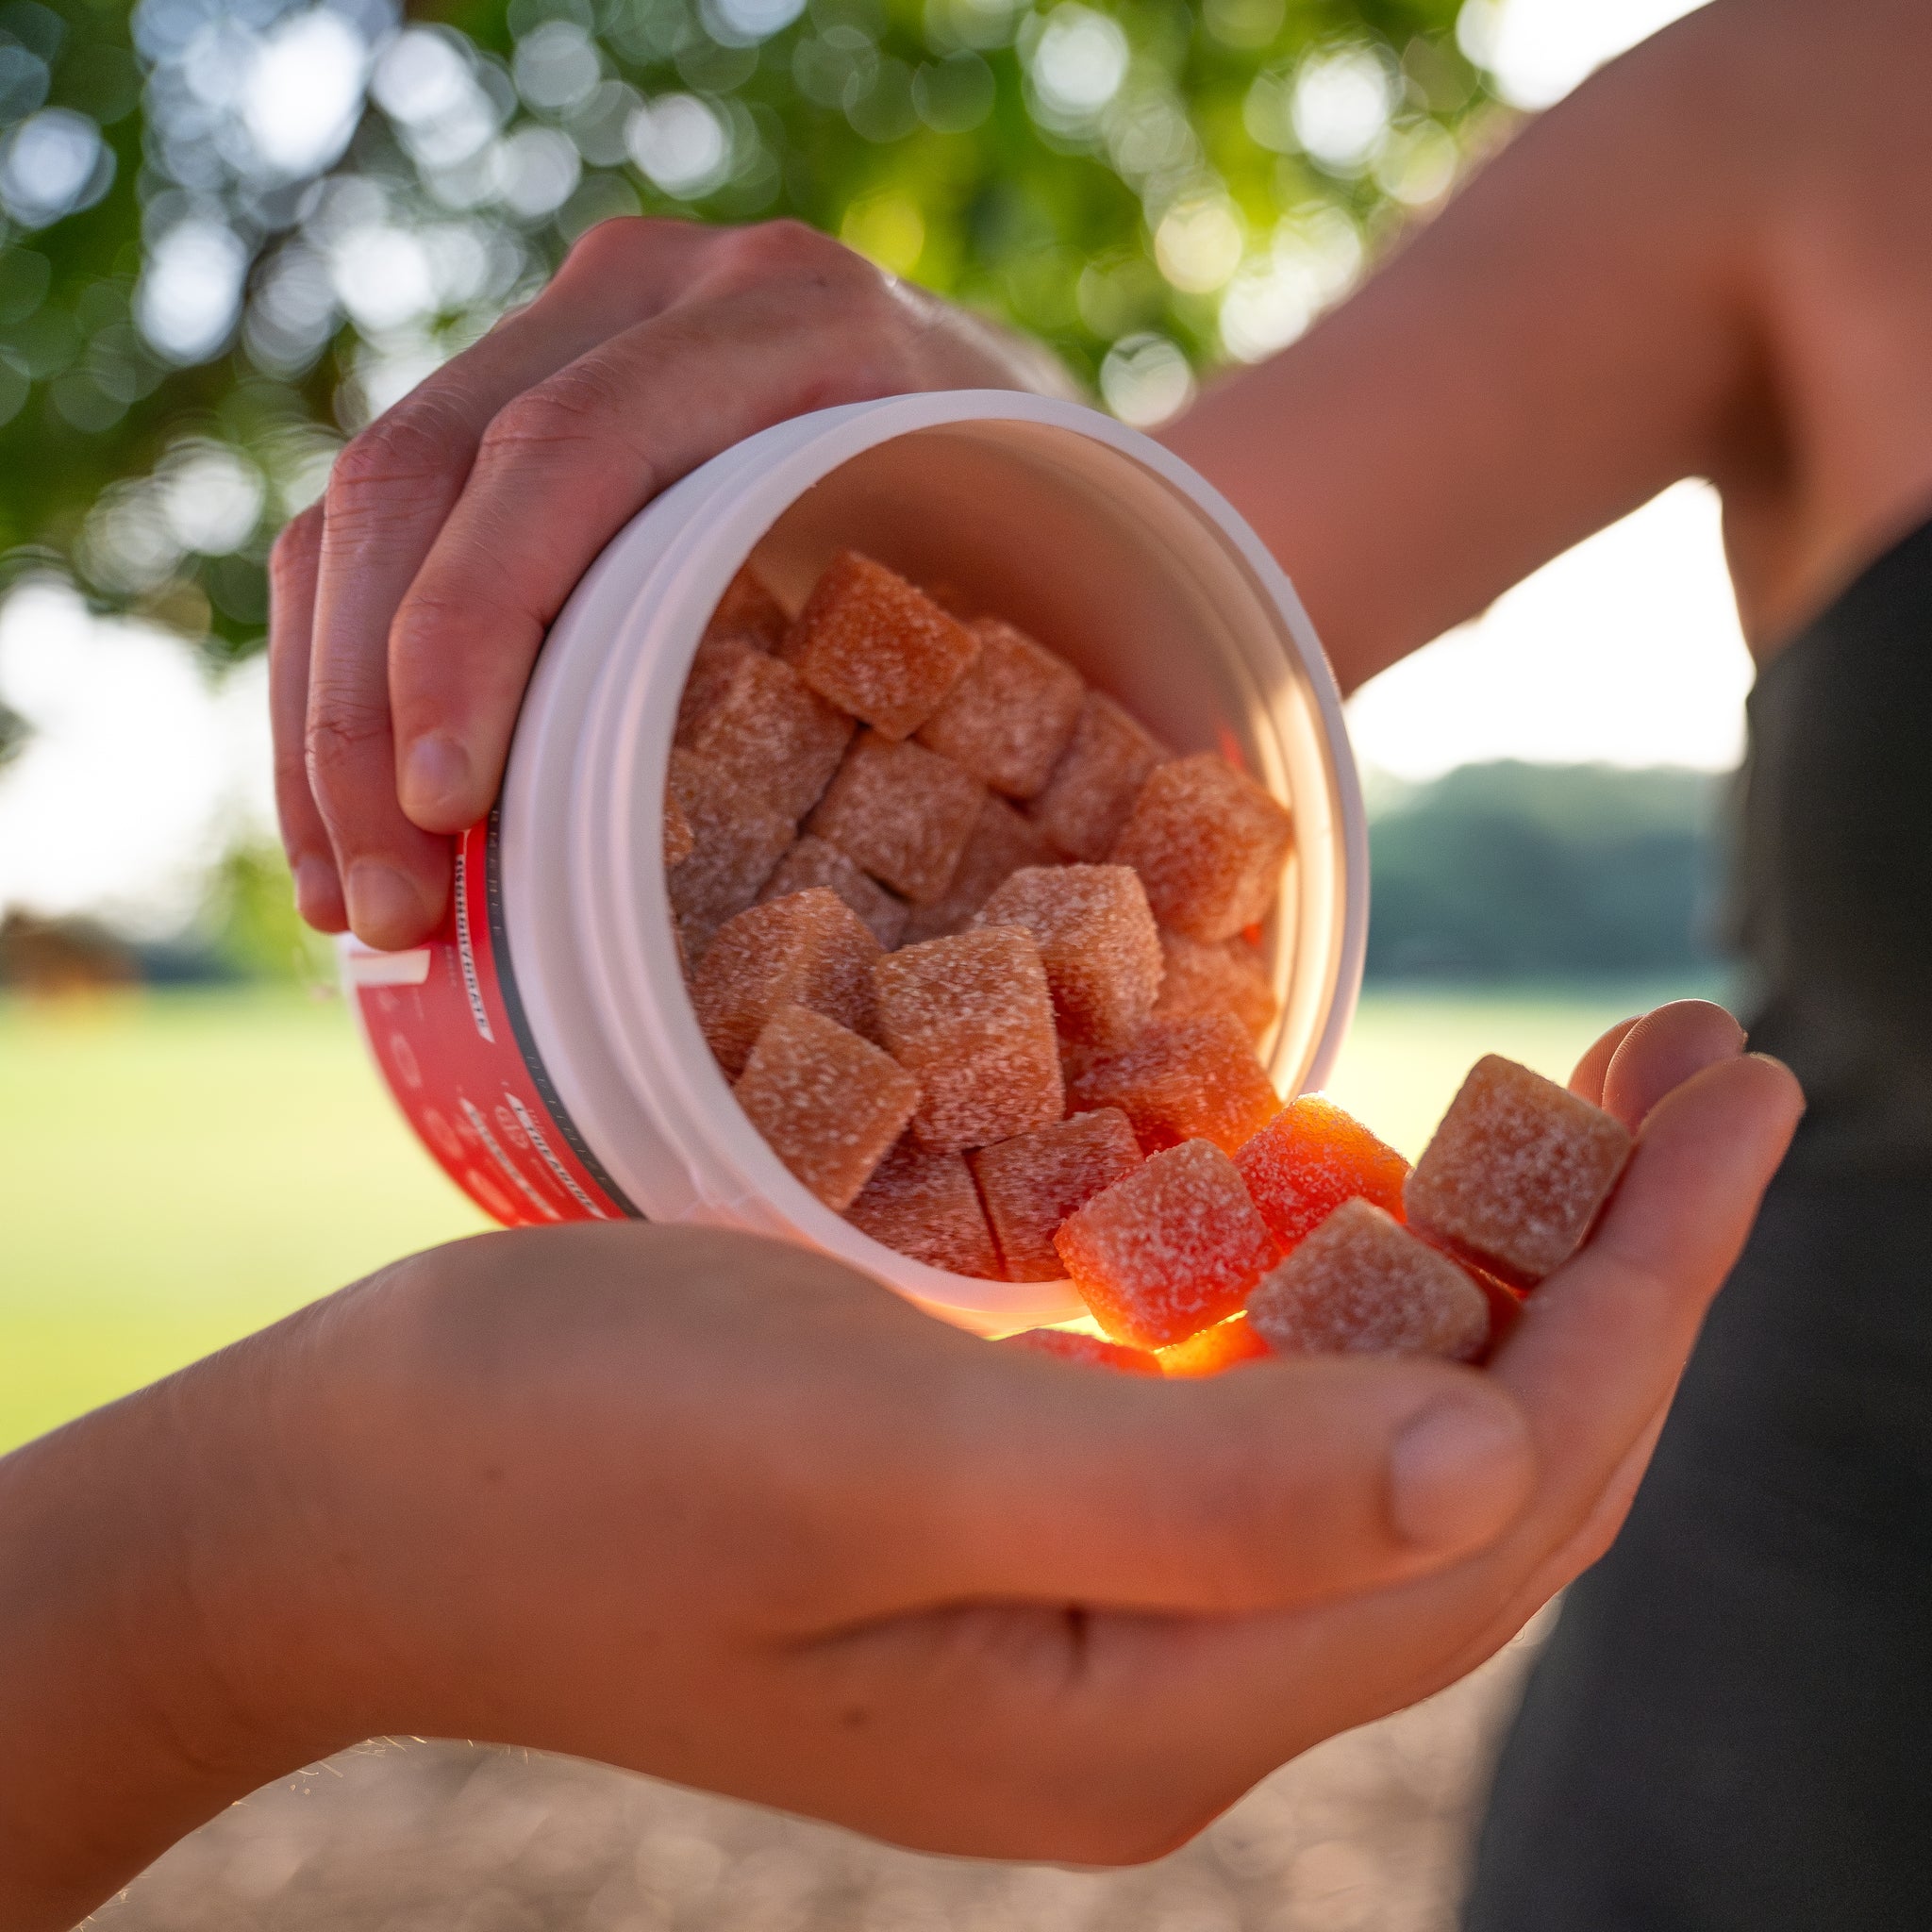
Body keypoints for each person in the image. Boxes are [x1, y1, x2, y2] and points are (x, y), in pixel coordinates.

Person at [4, 0, 1910, 1922]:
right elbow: (1165, 590)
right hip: (1748, 1737)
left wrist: (248, 1553)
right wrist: (957, 413)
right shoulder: (1805, 96)